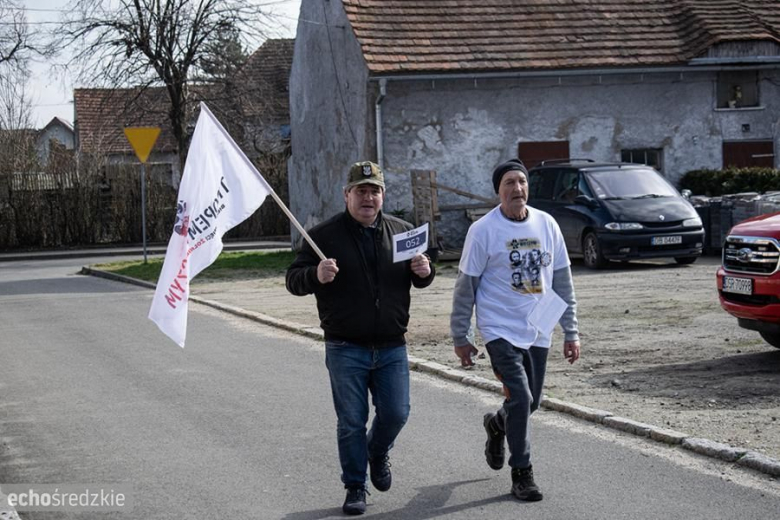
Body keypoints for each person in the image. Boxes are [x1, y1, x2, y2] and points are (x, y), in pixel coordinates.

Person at [286, 161, 435, 515]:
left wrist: (425, 272)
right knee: (351, 421)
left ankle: (377, 451)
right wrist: (315, 275)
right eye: (361, 191)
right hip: (344, 347)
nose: (368, 198)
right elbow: (293, 280)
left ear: (383, 195)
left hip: (391, 346)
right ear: (347, 195)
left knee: (397, 413)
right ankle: (355, 486)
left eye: (374, 191)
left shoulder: (402, 233)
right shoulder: (322, 236)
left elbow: (422, 273)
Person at [450, 159, 580, 502]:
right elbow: (466, 287)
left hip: (539, 325)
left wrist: (571, 331)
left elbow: (563, 281)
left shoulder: (546, 224)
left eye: (521, 181)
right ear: (498, 191)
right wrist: (460, 336)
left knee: (531, 402)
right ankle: (522, 472)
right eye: (509, 182)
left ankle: (497, 423)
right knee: (521, 398)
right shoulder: (483, 230)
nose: (517, 189)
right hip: (499, 329)